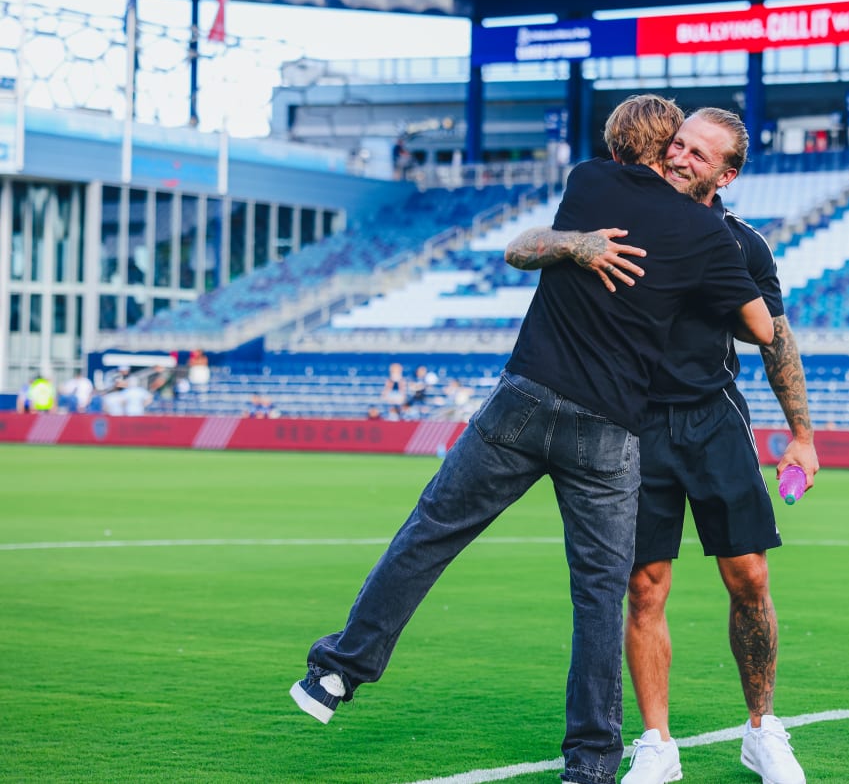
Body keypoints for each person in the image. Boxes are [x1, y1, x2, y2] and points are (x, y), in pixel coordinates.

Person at [290, 94, 774, 784]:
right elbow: (761, 329)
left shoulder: (588, 182)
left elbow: (525, 248)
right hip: (609, 432)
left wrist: (582, 248)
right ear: (668, 148)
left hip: (523, 400)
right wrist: (691, 286)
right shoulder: (706, 239)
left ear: (615, 148)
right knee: (601, 595)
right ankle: (592, 762)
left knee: (430, 532)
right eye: (682, 146)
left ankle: (336, 673)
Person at [506, 106, 818, 784]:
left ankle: (762, 729)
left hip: (713, 420)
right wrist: (573, 244)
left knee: (751, 578)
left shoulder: (743, 245)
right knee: (644, 589)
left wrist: (801, 436)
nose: (680, 158)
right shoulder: (616, 216)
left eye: (700, 155)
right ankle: (656, 742)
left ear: (728, 175)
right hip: (630, 424)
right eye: (678, 144)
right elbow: (528, 248)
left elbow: (776, 340)